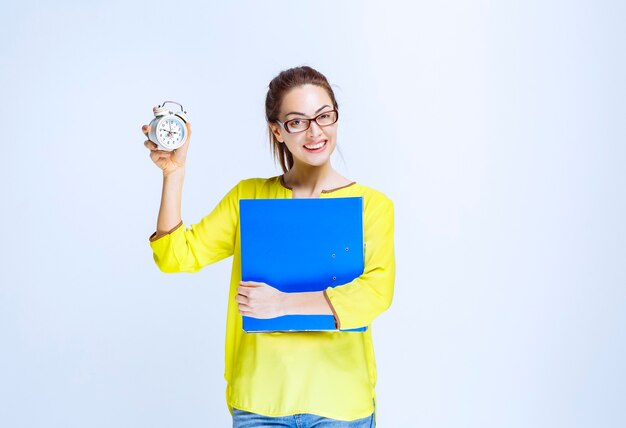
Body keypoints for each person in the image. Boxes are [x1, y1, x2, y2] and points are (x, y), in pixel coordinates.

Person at [143, 66, 395, 428]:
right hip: (261, 402)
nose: (315, 131)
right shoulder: (249, 196)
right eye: (297, 122)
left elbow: (375, 293)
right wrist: (173, 174)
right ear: (277, 130)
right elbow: (177, 256)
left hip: (340, 403)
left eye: (324, 116)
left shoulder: (372, 205)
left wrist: (280, 303)